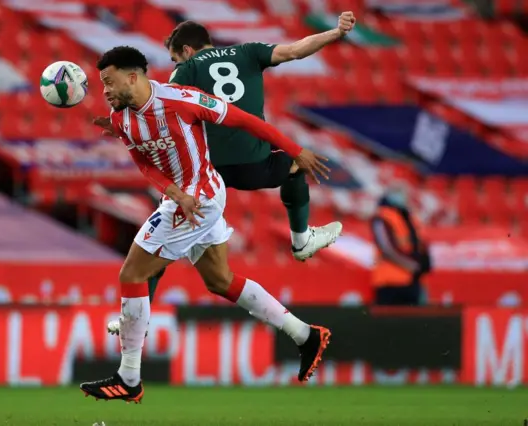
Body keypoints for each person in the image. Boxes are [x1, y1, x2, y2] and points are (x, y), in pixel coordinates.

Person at [80, 46, 331, 403]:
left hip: (201, 200)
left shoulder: (182, 99)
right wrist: (174, 193)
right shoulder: (122, 120)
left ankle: (129, 378)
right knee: (220, 280)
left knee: (132, 275)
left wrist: (294, 150)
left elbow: (244, 120)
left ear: (133, 76)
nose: (103, 90)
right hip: (182, 201)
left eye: (109, 81)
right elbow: (145, 166)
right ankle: (306, 335)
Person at [103, 14, 356, 335]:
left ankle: (137, 316)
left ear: (185, 50)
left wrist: (128, 125)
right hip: (254, 165)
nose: (174, 62)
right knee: (293, 167)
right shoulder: (249, 52)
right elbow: (295, 51)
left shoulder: (188, 68)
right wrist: (335, 32)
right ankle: (302, 238)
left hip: (207, 172)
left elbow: (164, 105)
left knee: (160, 242)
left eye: (173, 57)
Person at [370, 186, 432, 305]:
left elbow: (421, 243)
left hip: (413, 281)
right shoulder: (382, 217)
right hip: (389, 283)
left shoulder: (411, 218)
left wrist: (424, 263)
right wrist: (413, 266)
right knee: (389, 321)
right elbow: (387, 249)